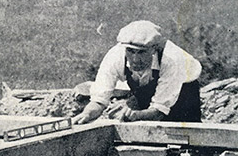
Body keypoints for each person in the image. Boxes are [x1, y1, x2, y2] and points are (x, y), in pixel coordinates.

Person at [73, 20, 201, 124]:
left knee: (188, 137)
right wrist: (86, 114)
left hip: (184, 90)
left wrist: (135, 115)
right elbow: (99, 100)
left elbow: (159, 111)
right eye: (130, 51)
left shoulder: (171, 59)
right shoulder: (115, 56)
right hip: (144, 87)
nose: (135, 59)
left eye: (142, 52)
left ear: (153, 49)